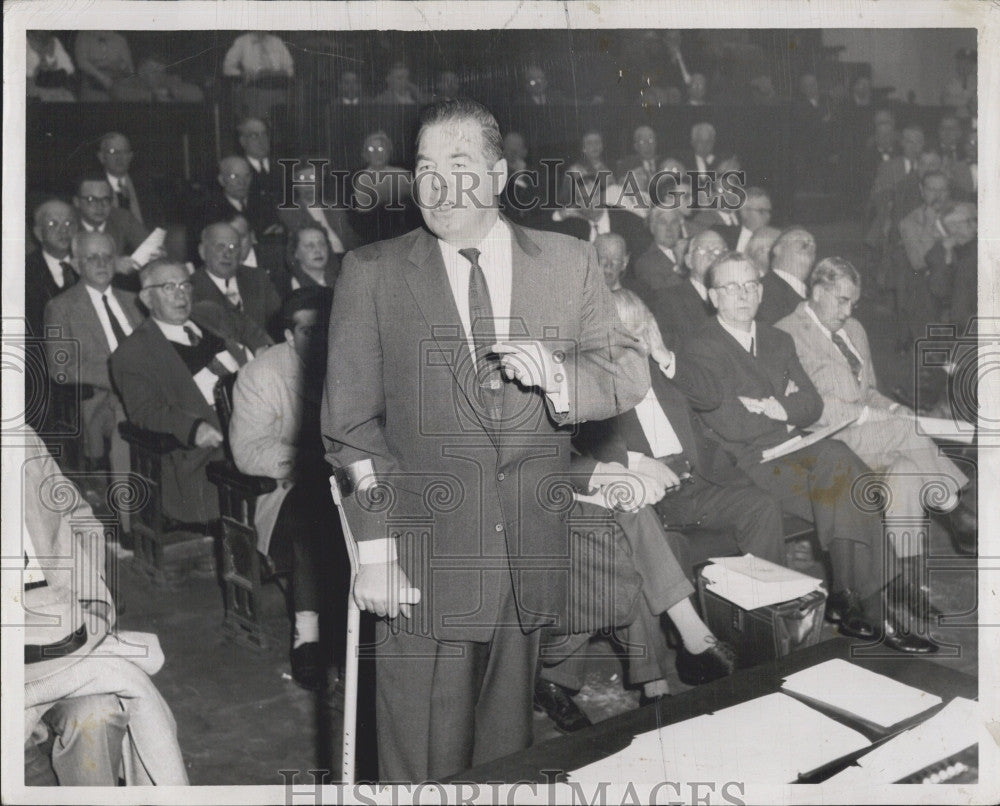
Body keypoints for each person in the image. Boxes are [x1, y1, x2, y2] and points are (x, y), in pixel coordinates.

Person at [321, 98, 649, 781]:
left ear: (499, 178)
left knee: (506, 761)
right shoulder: (373, 273)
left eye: (458, 166)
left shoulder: (568, 262)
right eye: (424, 169)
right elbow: (351, 425)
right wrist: (376, 547)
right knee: (423, 763)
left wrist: (559, 377)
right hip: (422, 563)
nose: (436, 187)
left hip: (530, 555)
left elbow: (625, 371)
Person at [683, 253, 937, 654]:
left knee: (841, 471)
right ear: (714, 297)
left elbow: (813, 405)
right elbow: (731, 424)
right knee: (845, 476)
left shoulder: (776, 339)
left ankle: (862, 606)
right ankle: (867, 605)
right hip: (747, 466)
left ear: (762, 291)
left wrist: (778, 408)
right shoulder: (699, 348)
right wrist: (784, 410)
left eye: (750, 285)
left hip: (793, 450)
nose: (743, 295)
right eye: (731, 287)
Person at [21, 428, 188, 784]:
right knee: (131, 675)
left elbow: (81, 520)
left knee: (98, 714)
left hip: (60, 630)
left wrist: (93, 602)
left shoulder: (21, 438)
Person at [775, 256, 972, 542]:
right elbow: (806, 405)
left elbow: (867, 392)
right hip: (824, 439)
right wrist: (877, 417)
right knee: (905, 430)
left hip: (872, 433)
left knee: (905, 470)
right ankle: (955, 509)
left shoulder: (854, 329)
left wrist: (893, 407)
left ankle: (905, 574)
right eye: (842, 301)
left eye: (853, 303)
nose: (847, 312)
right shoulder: (786, 333)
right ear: (817, 291)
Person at [230, 287, 348, 691]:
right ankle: (307, 634)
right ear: (287, 335)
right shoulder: (260, 375)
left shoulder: (352, 361)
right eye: (308, 332)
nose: (320, 340)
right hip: (283, 497)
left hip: (350, 483)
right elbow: (248, 453)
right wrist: (315, 462)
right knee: (317, 507)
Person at [110, 259, 252, 528]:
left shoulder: (210, 318)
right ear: (147, 298)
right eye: (168, 287)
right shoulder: (133, 353)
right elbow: (147, 412)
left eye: (185, 285)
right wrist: (193, 428)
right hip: (206, 454)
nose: (181, 294)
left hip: (255, 427)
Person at [43, 231, 144, 480]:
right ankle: (129, 515)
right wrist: (119, 378)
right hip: (104, 401)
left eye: (107, 257)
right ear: (76, 265)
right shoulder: (60, 308)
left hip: (149, 393)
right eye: (92, 258)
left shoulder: (135, 301)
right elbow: (61, 368)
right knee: (128, 425)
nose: (101, 263)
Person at [190, 222, 280, 351]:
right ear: (202, 251)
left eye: (233, 247)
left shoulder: (258, 278)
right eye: (220, 247)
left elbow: (278, 323)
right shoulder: (191, 289)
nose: (227, 254)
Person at [277, 160, 360, 273]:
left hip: (347, 262)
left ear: (320, 181)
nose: (307, 183)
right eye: (301, 178)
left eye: (312, 177)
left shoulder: (334, 207)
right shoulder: (289, 212)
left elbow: (351, 239)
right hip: (320, 265)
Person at [653, 228, 726, 350]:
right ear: (688, 261)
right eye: (702, 251)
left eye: (718, 251)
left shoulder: (736, 297)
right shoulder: (667, 300)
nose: (712, 256)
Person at [73, 174, 149, 289]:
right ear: (77, 202)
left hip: (120, 288)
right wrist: (112, 264)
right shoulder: (67, 223)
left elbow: (150, 248)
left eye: (105, 199)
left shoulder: (122, 217)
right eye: (91, 200)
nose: (100, 206)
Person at [27, 200, 79, 337]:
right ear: (38, 233)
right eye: (53, 224)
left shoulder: (90, 262)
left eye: (68, 223)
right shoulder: (25, 273)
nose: (63, 230)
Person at [927, 201, 977, 330]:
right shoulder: (938, 252)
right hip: (963, 319)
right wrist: (947, 255)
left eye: (974, 220)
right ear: (950, 227)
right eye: (968, 221)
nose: (974, 225)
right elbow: (939, 290)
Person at [96, 132, 161, 228]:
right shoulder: (93, 187)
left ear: (131, 156)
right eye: (113, 152)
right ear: (101, 157)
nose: (119, 158)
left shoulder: (145, 185)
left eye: (124, 152)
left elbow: (159, 222)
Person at [756, 226, 815, 325]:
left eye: (813, 244)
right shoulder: (762, 289)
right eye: (798, 238)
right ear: (777, 249)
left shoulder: (815, 296)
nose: (809, 243)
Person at [628, 206, 686, 306]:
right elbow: (664, 297)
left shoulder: (690, 251)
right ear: (652, 228)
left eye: (674, 222)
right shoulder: (645, 263)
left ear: (680, 227)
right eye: (663, 223)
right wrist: (679, 265)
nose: (669, 228)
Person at [26, 32, 76, 102]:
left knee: (68, 97)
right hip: (31, 90)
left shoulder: (54, 41)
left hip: (53, 86)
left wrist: (51, 69)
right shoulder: (21, 42)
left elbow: (69, 69)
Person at [735, 187, 772, 252]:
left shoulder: (773, 241)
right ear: (744, 212)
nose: (768, 216)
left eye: (769, 211)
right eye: (761, 211)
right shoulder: (726, 237)